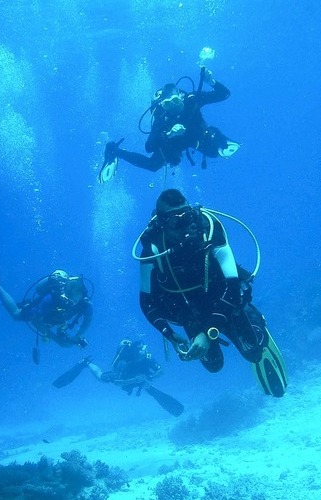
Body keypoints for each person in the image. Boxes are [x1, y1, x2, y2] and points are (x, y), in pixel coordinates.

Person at [134, 189, 288, 397]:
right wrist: (169, 335)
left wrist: (209, 331)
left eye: (187, 217)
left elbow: (233, 286)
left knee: (254, 352)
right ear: (161, 223)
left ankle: (254, 319)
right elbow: (146, 302)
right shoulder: (152, 248)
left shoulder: (209, 229)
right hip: (190, 312)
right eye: (174, 222)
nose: (184, 228)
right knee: (214, 366)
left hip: (223, 300)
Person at [99, 66, 240, 182]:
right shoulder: (161, 116)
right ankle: (114, 151)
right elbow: (149, 147)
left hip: (196, 136)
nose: (172, 107)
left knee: (213, 151)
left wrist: (212, 81)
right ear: (162, 105)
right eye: (167, 104)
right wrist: (169, 134)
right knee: (152, 165)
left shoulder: (192, 100)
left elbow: (224, 94)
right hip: (175, 144)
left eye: (175, 101)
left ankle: (220, 140)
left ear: (181, 96)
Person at [0, 252, 92, 358]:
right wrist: (48, 335)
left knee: (62, 335)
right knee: (16, 314)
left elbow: (88, 319)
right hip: (41, 312)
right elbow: (35, 320)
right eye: (71, 293)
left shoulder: (85, 304)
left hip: (51, 315)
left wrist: (78, 335)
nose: (72, 300)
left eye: (76, 296)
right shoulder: (52, 299)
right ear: (67, 288)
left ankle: (25, 303)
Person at [52, 339, 184, 416]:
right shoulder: (123, 362)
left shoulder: (147, 358)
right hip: (123, 378)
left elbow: (161, 371)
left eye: (144, 351)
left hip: (139, 379)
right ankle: (86, 363)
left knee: (146, 385)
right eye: (141, 351)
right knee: (101, 377)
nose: (144, 353)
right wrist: (134, 380)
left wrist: (152, 375)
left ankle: (145, 386)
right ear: (135, 353)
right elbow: (117, 383)